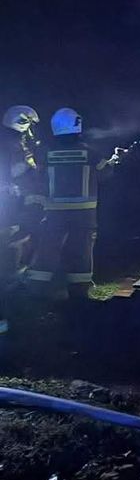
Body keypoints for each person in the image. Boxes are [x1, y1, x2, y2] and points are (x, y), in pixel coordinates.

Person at [25, 108, 127, 301]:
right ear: (78, 126)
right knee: (81, 250)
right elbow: (105, 174)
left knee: (48, 248)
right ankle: (79, 291)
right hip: (84, 213)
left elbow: (37, 177)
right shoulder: (90, 153)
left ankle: (35, 288)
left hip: (54, 211)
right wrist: (115, 160)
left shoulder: (46, 153)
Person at [2, 106, 46, 336]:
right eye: (30, 125)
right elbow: (24, 174)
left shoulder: (15, 143)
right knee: (12, 255)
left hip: (15, 209)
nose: (31, 131)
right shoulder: (13, 146)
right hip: (13, 210)